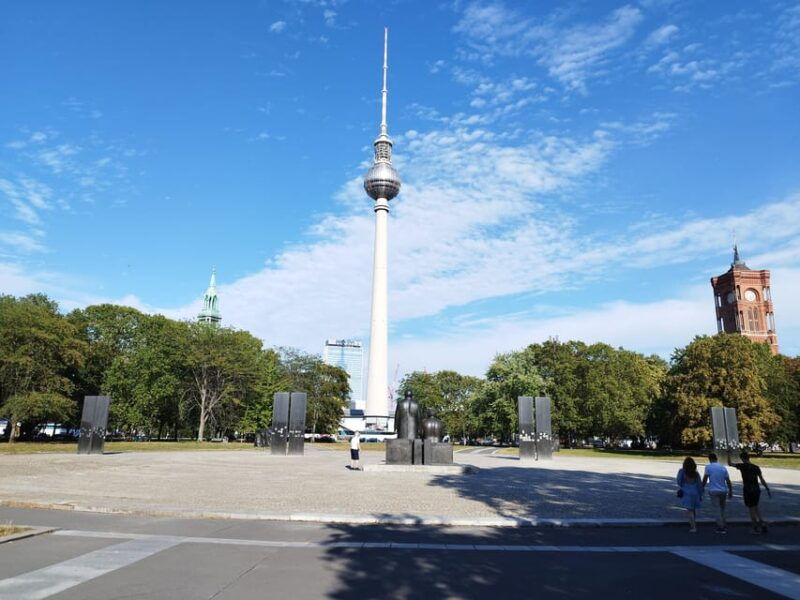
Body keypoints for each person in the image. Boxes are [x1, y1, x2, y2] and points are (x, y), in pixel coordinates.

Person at [732, 450, 771, 534]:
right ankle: (762, 523)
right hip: (756, 489)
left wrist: (728, 454)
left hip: (748, 489)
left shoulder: (742, 466)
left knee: (751, 509)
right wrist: (767, 487)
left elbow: (729, 463)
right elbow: (761, 479)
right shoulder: (756, 467)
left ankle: (755, 527)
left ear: (742, 458)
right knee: (756, 507)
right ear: (749, 457)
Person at [702, 452, 733, 533]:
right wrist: (730, 490)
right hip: (723, 490)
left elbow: (705, 479)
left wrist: (702, 487)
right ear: (716, 459)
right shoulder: (722, 467)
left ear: (709, 459)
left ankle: (720, 526)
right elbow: (728, 480)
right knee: (722, 508)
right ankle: (724, 524)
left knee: (717, 509)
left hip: (713, 490)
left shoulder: (708, 467)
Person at [676, 457, 704, 532]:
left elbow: (678, 481)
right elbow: (699, 485)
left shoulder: (682, 471)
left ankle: (693, 527)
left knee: (690, 511)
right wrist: (701, 494)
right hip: (695, 492)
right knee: (693, 509)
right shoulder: (696, 473)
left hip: (687, 492)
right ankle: (693, 523)